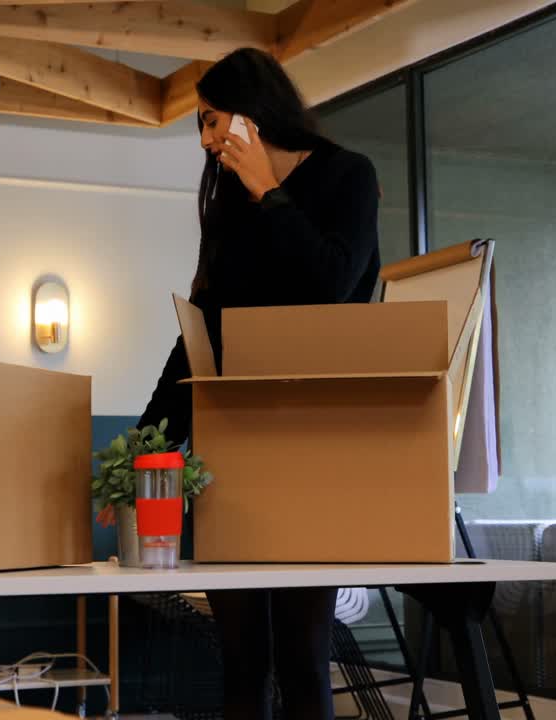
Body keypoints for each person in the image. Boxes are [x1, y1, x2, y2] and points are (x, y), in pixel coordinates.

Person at [136, 48, 381, 720]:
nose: (208, 141)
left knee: (304, 657)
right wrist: (142, 451)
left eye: (214, 121)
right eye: (204, 128)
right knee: (241, 659)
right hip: (232, 451)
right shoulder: (227, 209)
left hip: (314, 448)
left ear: (253, 110)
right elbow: (199, 342)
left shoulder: (347, 177)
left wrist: (269, 194)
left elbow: (331, 285)